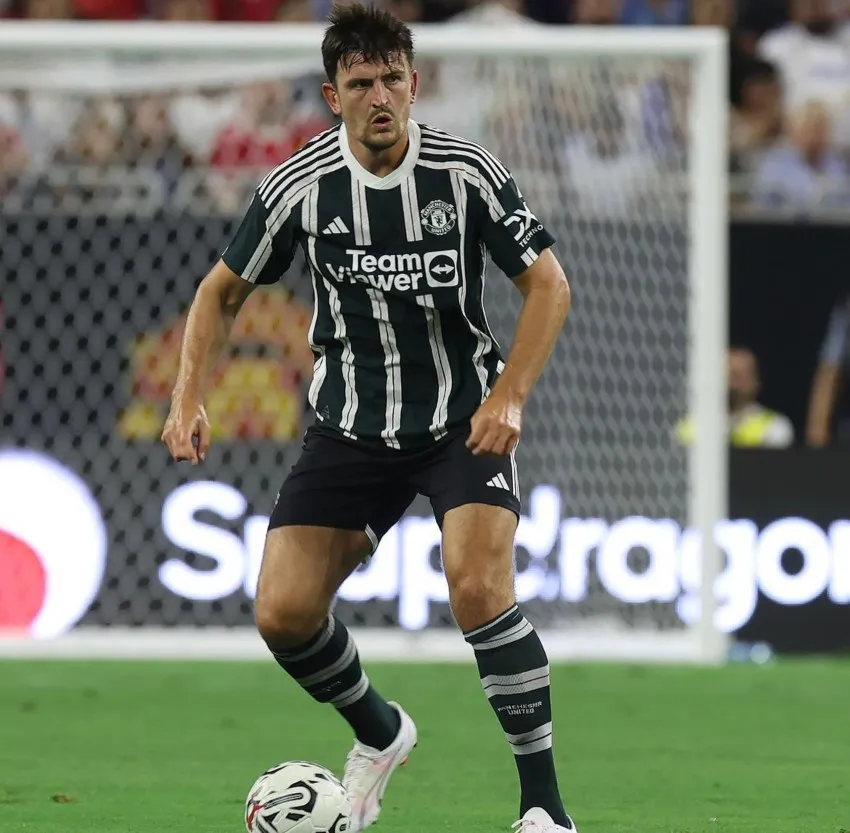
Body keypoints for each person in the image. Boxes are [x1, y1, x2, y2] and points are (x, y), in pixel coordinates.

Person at [161, 4, 574, 833]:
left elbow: (549, 285)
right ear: (332, 95)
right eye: (361, 82)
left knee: (479, 587)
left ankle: (543, 809)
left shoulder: (465, 173)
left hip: (462, 418)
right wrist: (186, 395)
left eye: (393, 78)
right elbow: (220, 292)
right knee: (282, 611)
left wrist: (511, 395)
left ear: (414, 84)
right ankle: (382, 733)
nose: (380, 95)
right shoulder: (299, 187)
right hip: (351, 427)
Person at [676, 347, 794, 448]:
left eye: (738, 376)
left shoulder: (774, 427)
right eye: (727, 375)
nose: (732, 384)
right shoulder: (690, 425)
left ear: (756, 382)